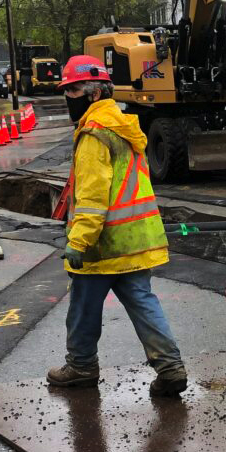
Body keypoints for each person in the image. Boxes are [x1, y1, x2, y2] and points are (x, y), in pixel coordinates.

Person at [48, 54, 188, 397]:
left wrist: (78, 243)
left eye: (72, 92)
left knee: (83, 306)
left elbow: (94, 197)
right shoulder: (125, 126)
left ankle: (80, 366)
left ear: (93, 94)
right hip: (137, 238)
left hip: (103, 242)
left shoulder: (94, 134)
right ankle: (170, 367)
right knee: (143, 301)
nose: (69, 99)